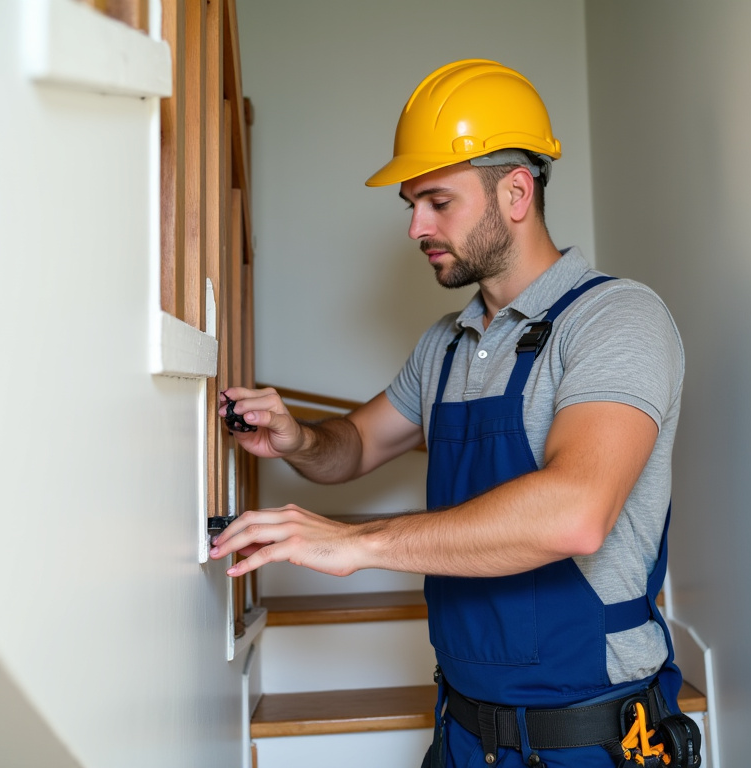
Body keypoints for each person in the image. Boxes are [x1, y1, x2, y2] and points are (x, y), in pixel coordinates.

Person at [212, 59, 689, 768]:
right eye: (410, 204)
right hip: (465, 730)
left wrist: (358, 544)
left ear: (517, 193)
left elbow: (575, 512)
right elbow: (354, 446)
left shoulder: (616, 320)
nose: (414, 227)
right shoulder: (446, 342)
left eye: (437, 201)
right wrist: (296, 437)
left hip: (587, 735)